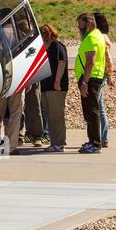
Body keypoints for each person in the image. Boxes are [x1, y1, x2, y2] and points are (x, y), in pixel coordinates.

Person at [75, 12, 108, 154]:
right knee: (89, 111)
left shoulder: (92, 38)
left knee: (92, 111)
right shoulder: (96, 35)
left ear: (88, 23)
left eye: (80, 24)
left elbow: (90, 62)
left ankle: (95, 143)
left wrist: (85, 82)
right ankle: (92, 140)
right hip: (92, 78)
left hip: (91, 79)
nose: (78, 27)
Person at [38, 24, 68, 152]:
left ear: (50, 33)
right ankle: (54, 142)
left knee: (56, 115)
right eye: (42, 33)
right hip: (45, 86)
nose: (44, 35)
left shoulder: (57, 46)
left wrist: (57, 80)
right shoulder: (43, 48)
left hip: (56, 87)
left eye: (45, 33)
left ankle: (59, 143)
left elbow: (62, 62)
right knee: (49, 115)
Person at [93, 12, 114, 149]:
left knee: (99, 106)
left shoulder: (101, 38)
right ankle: (103, 137)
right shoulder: (102, 36)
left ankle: (103, 137)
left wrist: (110, 75)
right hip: (101, 73)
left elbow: (107, 58)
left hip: (100, 74)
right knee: (99, 105)